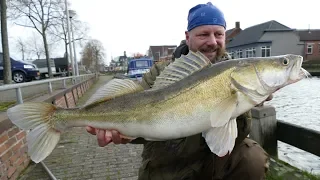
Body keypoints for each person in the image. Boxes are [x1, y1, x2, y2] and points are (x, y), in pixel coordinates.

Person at [86, 2, 271, 180]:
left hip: (214, 164)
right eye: (204, 34)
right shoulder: (160, 73)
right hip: (168, 168)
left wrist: (249, 100)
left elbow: (237, 133)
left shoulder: (240, 73)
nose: (212, 42)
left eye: (219, 34)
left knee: (252, 157)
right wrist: (125, 135)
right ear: (188, 36)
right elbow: (139, 116)